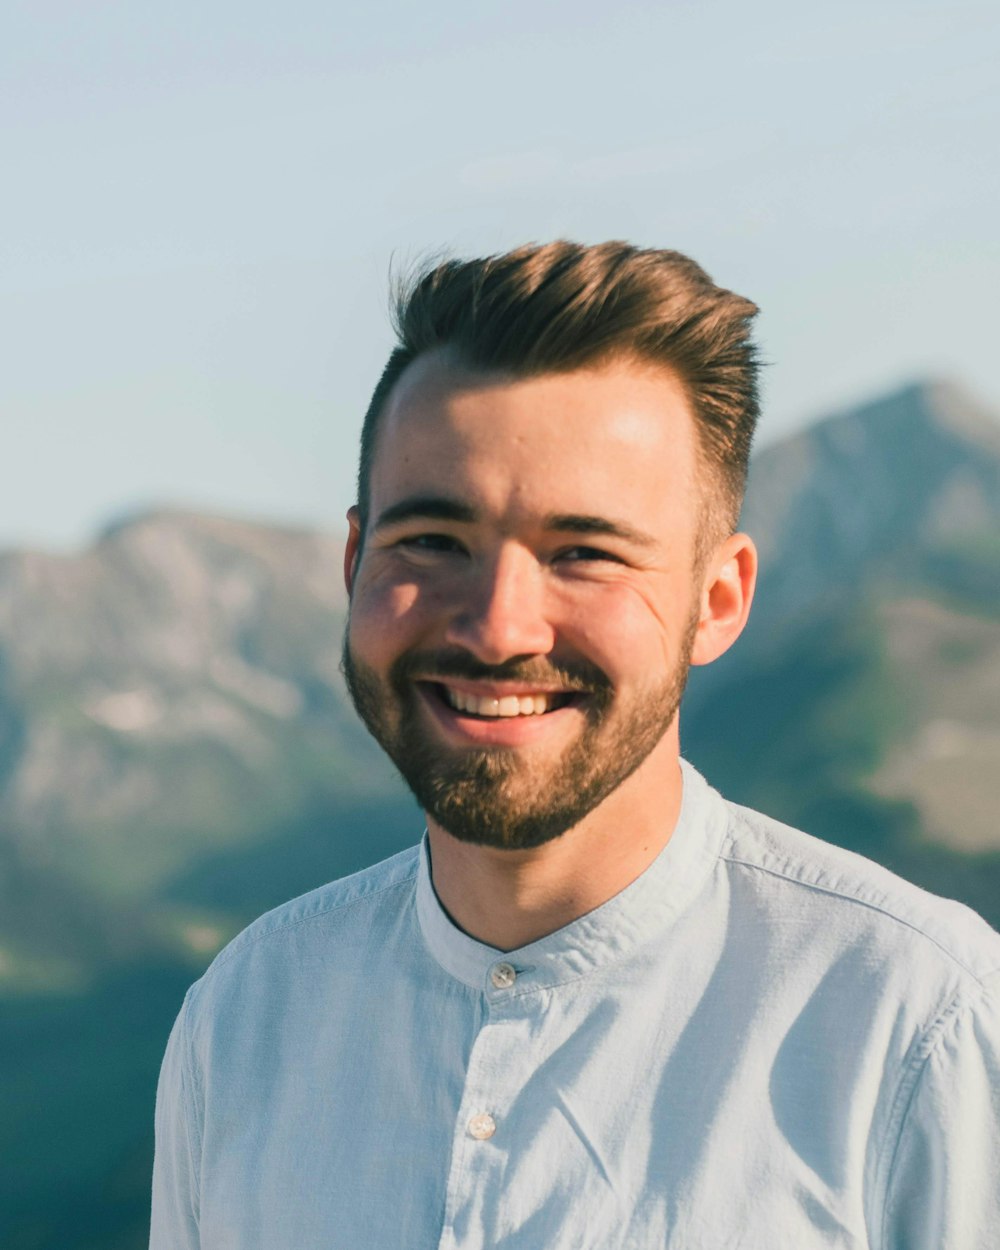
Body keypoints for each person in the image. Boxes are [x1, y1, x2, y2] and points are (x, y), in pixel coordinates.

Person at [149, 241, 1000, 1249]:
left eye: (584, 553)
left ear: (716, 601)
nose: (498, 627)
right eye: (430, 540)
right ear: (352, 561)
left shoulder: (915, 1020)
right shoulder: (245, 1017)